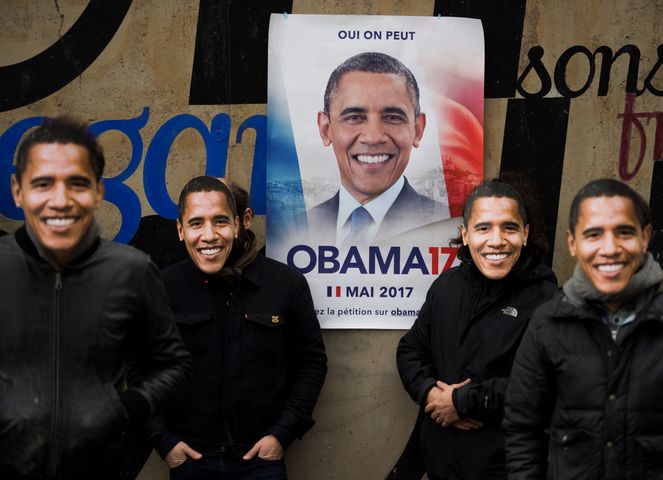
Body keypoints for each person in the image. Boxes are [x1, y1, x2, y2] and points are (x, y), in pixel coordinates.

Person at [0, 117, 192, 479]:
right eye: (42, 184)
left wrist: (127, 406)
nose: (60, 201)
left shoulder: (132, 271)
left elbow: (174, 364)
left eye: (77, 184)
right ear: (17, 190)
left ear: (98, 191)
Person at [503, 178, 663, 479]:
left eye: (624, 232)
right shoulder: (548, 324)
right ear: (573, 243)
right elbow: (522, 431)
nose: (610, 249)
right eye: (593, 235)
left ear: (645, 237)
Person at [149, 176, 327, 479]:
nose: (209, 235)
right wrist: (164, 441)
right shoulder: (162, 288)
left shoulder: (287, 285)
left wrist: (282, 434)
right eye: (196, 223)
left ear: (238, 223)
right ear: (180, 230)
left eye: (220, 221)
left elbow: (311, 364)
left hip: (261, 462)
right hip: (191, 462)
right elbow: (141, 369)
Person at [396, 179, 558, 479]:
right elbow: (410, 350)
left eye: (509, 227)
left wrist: (462, 402)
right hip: (441, 462)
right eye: (483, 228)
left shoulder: (548, 302)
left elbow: (547, 385)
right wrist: (431, 395)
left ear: (525, 234)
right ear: (465, 235)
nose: (496, 240)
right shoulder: (446, 286)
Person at [310, 51, 448, 244]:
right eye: (354, 117)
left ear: (417, 130)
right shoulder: (295, 228)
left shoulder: (447, 226)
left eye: (392, 117)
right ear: (326, 129)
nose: (373, 137)